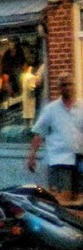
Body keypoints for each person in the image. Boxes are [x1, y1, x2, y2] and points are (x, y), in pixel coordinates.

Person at [28, 75, 83, 203]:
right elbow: (39, 133)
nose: (68, 88)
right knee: (64, 197)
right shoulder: (51, 110)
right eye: (64, 85)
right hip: (60, 159)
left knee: (80, 198)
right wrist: (31, 157)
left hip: (80, 158)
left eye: (70, 84)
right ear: (59, 88)